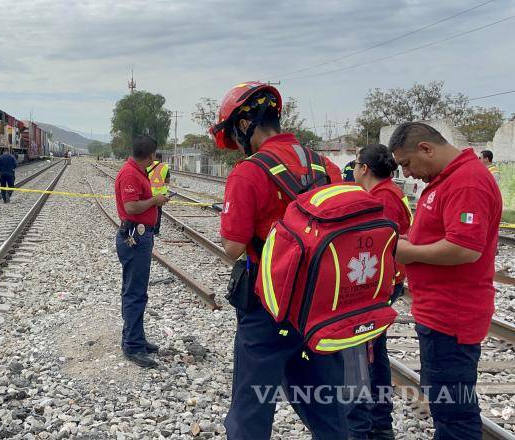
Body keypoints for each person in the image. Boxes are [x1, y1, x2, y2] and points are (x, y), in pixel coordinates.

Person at [211, 81, 346, 440]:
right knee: (325, 406)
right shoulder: (326, 165)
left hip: (269, 307)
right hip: (321, 305)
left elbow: (233, 248)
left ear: (243, 125)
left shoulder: (249, 171)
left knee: (251, 411)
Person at [390, 122, 501, 440]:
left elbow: (465, 248)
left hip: (452, 315)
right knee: (445, 403)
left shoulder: (466, 182)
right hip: (439, 312)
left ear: (426, 148)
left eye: (408, 164)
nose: (408, 174)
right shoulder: (446, 180)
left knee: (454, 412)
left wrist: (409, 251)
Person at [347, 144, 413, 440]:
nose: (353, 168)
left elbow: (375, 247)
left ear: (365, 169)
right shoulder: (385, 193)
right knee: (373, 352)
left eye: (356, 163)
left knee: (369, 355)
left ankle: (375, 423)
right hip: (383, 281)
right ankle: (376, 420)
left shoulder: (383, 199)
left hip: (379, 285)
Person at [114, 135, 169, 369]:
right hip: (134, 237)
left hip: (139, 235)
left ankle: (136, 338)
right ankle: (132, 345)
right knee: (134, 292)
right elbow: (131, 206)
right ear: (151, 155)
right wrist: (155, 200)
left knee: (138, 291)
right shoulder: (130, 174)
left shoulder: (136, 171)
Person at [146, 153, 171, 235]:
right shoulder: (165, 167)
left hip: (149, 192)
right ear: (161, 158)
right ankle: (156, 231)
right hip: (160, 194)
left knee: (147, 211)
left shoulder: (147, 165)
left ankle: (147, 229)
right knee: (158, 212)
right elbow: (167, 181)